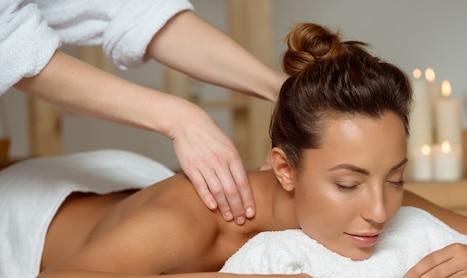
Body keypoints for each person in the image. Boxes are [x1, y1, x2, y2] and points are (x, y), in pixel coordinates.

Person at [5, 22, 467, 278]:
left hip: (118, 187)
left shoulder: (367, 195)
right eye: (348, 183)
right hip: (25, 216)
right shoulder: (194, 220)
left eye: (395, 178)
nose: (379, 210)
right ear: (283, 169)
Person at [0, 0, 286, 224]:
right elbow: (9, 40)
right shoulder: (178, 216)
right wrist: (181, 119)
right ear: (283, 167)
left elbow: (134, 9)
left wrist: (282, 89)